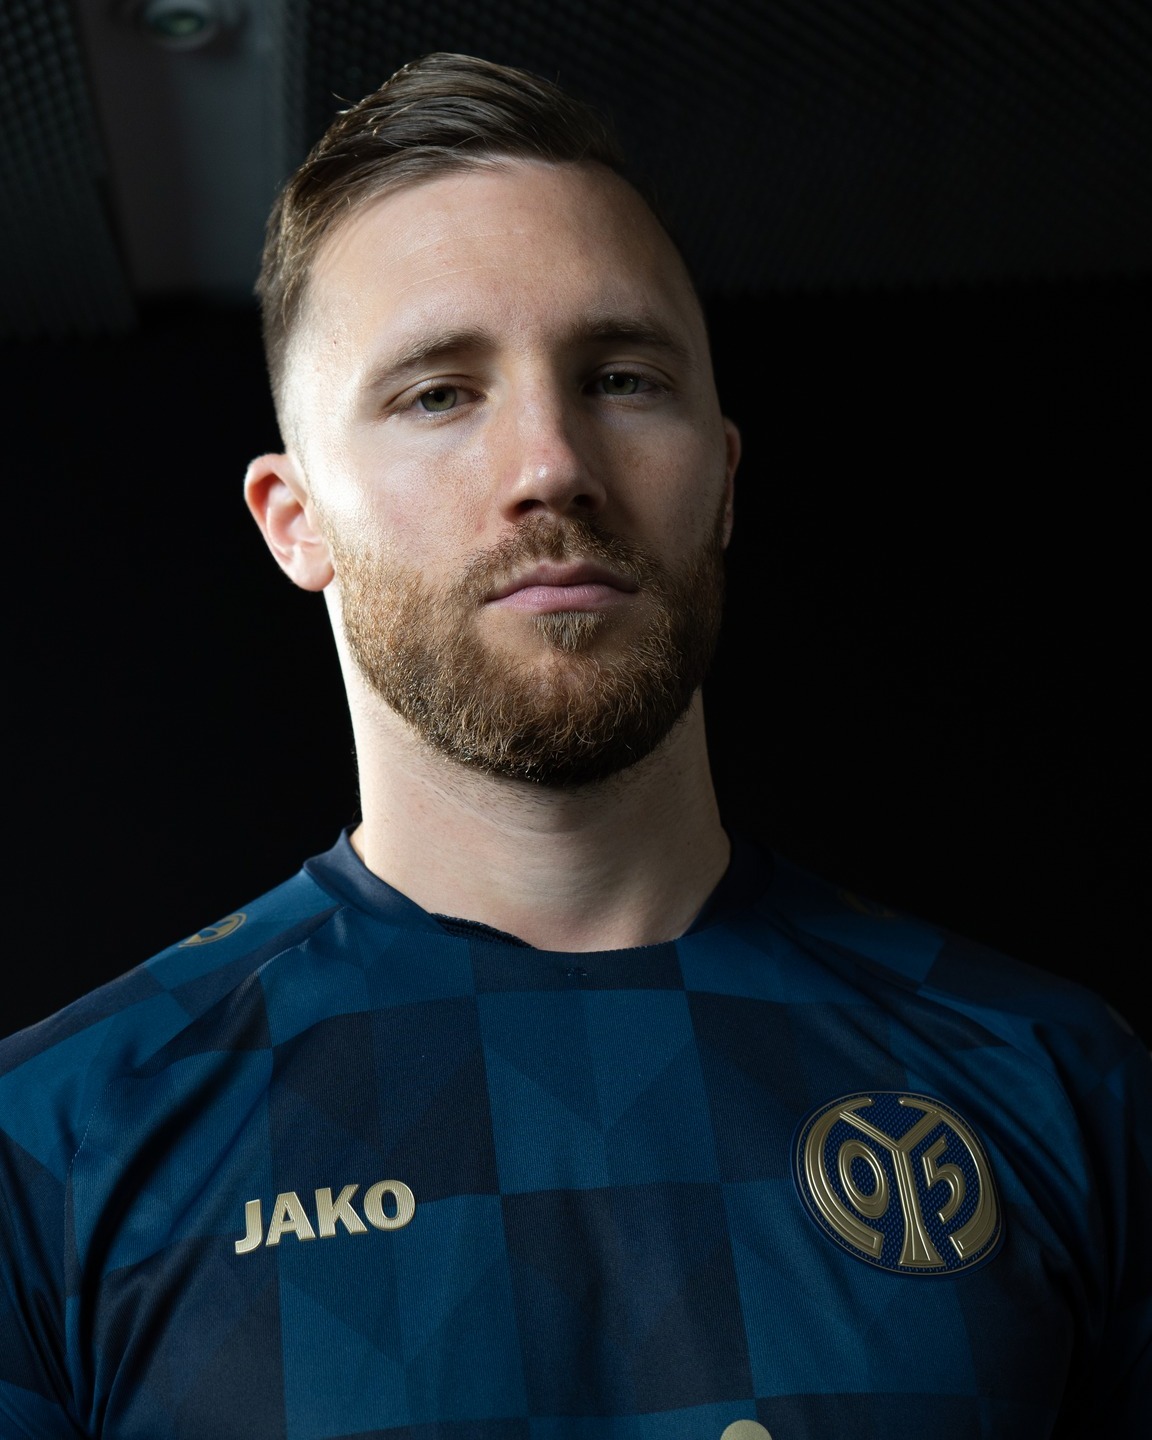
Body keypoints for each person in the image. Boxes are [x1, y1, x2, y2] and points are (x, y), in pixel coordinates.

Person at [0, 52, 1147, 1440]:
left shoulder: (1060, 1083)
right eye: (439, 393)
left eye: (621, 377)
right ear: (295, 521)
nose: (552, 463)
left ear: (724, 479)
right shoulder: (54, 1147)